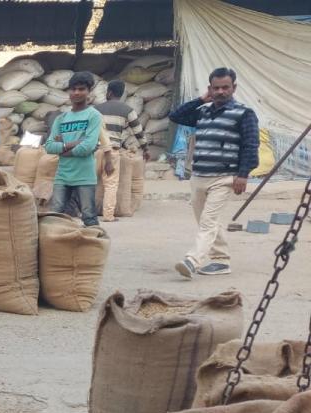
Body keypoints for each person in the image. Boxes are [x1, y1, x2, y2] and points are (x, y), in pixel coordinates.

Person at [169, 67, 259, 278]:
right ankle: (221, 261)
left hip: (224, 177)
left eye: (225, 87)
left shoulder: (244, 114)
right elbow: (175, 115)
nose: (220, 92)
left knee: (208, 221)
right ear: (210, 88)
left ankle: (193, 260)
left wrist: (243, 174)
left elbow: (250, 145)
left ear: (233, 87)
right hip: (199, 175)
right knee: (206, 221)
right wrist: (201, 99)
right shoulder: (203, 111)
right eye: (216, 88)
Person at [44, 72, 104, 227]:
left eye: (81, 89)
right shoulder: (61, 119)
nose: (76, 93)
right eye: (73, 89)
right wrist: (72, 144)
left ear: (89, 91)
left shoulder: (93, 115)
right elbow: (49, 147)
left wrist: (63, 150)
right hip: (63, 175)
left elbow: (88, 147)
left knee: (89, 217)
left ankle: (93, 249)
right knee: (55, 215)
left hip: (84, 175)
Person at [95, 80, 149, 222]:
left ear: (109, 92)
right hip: (111, 152)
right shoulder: (127, 110)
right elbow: (138, 132)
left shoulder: (96, 109)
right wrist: (145, 148)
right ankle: (108, 215)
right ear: (121, 94)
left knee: (88, 182)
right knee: (111, 184)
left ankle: (85, 211)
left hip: (94, 150)